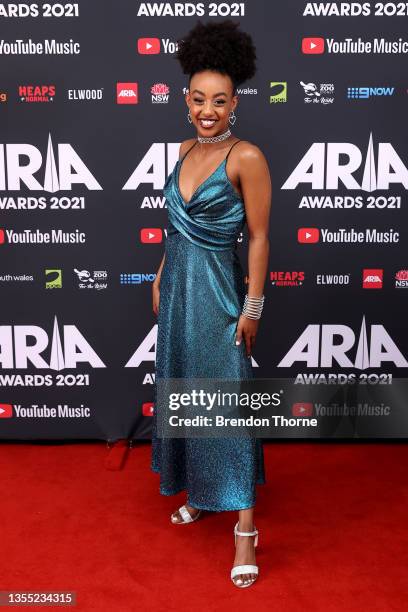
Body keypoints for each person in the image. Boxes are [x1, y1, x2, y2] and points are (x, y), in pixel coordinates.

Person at [151, 19, 271, 588]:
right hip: (177, 293)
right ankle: (203, 491)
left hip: (222, 302)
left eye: (218, 101)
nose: (207, 110)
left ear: (234, 103)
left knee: (229, 410)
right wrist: (158, 274)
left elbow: (260, 238)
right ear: (185, 100)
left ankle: (245, 530)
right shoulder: (180, 150)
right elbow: (174, 228)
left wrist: (253, 309)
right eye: (199, 99)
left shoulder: (247, 157)